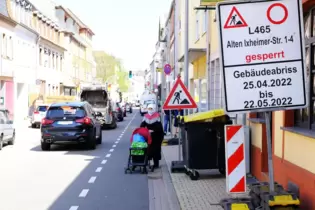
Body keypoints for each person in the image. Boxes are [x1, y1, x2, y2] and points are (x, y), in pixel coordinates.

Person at [140, 104, 164, 168]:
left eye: (151, 109)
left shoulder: (157, 116)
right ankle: (147, 162)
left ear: (154, 109)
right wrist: (146, 130)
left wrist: (153, 130)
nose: (150, 110)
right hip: (148, 136)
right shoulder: (145, 116)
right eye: (149, 109)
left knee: (156, 150)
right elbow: (142, 126)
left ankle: (156, 164)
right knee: (148, 149)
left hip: (156, 137)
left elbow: (159, 127)